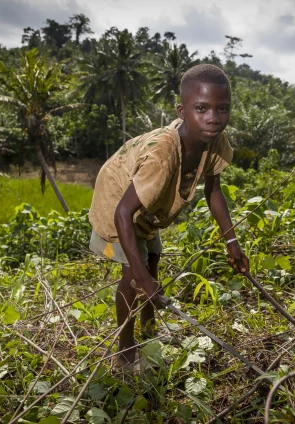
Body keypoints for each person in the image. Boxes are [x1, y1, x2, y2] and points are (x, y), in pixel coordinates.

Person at [88, 64, 249, 368]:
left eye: (222, 109)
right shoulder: (162, 154)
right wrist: (141, 279)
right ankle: (124, 351)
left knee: (152, 259)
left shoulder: (215, 138)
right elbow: (124, 212)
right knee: (133, 274)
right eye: (201, 108)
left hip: (148, 202)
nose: (213, 118)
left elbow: (213, 192)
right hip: (117, 199)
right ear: (182, 110)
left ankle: (150, 329)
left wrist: (232, 241)